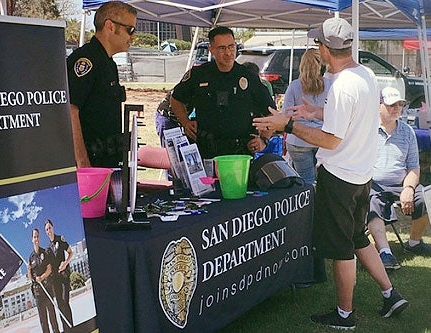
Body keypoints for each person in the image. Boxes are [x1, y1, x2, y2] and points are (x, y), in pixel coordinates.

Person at [252, 18, 408, 330]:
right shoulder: (364, 74)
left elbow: (331, 139)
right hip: (361, 175)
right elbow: (353, 115)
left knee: (341, 250)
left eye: (318, 45)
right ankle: (391, 294)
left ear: (325, 49)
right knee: (357, 238)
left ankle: (344, 315)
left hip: (340, 177)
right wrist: (314, 112)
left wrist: (289, 125)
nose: (317, 50)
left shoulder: (341, 86)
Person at [170, 26, 275, 159]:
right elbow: (176, 99)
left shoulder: (248, 76)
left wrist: (263, 140)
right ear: (211, 49)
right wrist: (185, 122)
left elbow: (271, 111)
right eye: (222, 48)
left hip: (239, 152)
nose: (228, 52)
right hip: (205, 151)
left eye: (231, 46)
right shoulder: (200, 74)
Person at [367, 86, 431, 271]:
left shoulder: (408, 132)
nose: (397, 108)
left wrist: (409, 189)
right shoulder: (367, 130)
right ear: (379, 105)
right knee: (372, 201)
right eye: (391, 105)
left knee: (427, 195)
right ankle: (385, 252)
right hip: (373, 184)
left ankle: (414, 242)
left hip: (401, 184)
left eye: (400, 104)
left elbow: (413, 167)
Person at [67, 1, 137, 168]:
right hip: (90, 164)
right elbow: (69, 108)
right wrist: (82, 162)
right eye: (130, 30)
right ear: (110, 26)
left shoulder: (108, 63)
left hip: (106, 160)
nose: (133, 37)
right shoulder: (87, 60)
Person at [282, 48, 331, 185]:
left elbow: (286, 114)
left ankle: (308, 205)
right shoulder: (331, 85)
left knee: (306, 181)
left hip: (298, 138)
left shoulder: (294, 86)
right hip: (323, 138)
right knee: (324, 181)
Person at [27, 228, 59, 333]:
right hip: (38, 293)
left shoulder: (44, 253)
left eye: (37, 236)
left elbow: (49, 269)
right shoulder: (31, 257)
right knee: (43, 320)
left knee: (52, 317)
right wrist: (28, 270)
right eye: (34, 237)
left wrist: (42, 277)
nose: (36, 239)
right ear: (31, 239)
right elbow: (31, 278)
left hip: (47, 289)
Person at [45, 219, 74, 331]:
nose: (49, 231)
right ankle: (65, 329)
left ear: (53, 227)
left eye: (50, 228)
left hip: (64, 277)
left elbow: (71, 252)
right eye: (47, 229)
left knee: (65, 302)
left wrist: (65, 263)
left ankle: (71, 328)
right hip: (55, 281)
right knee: (60, 306)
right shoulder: (47, 249)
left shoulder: (60, 239)